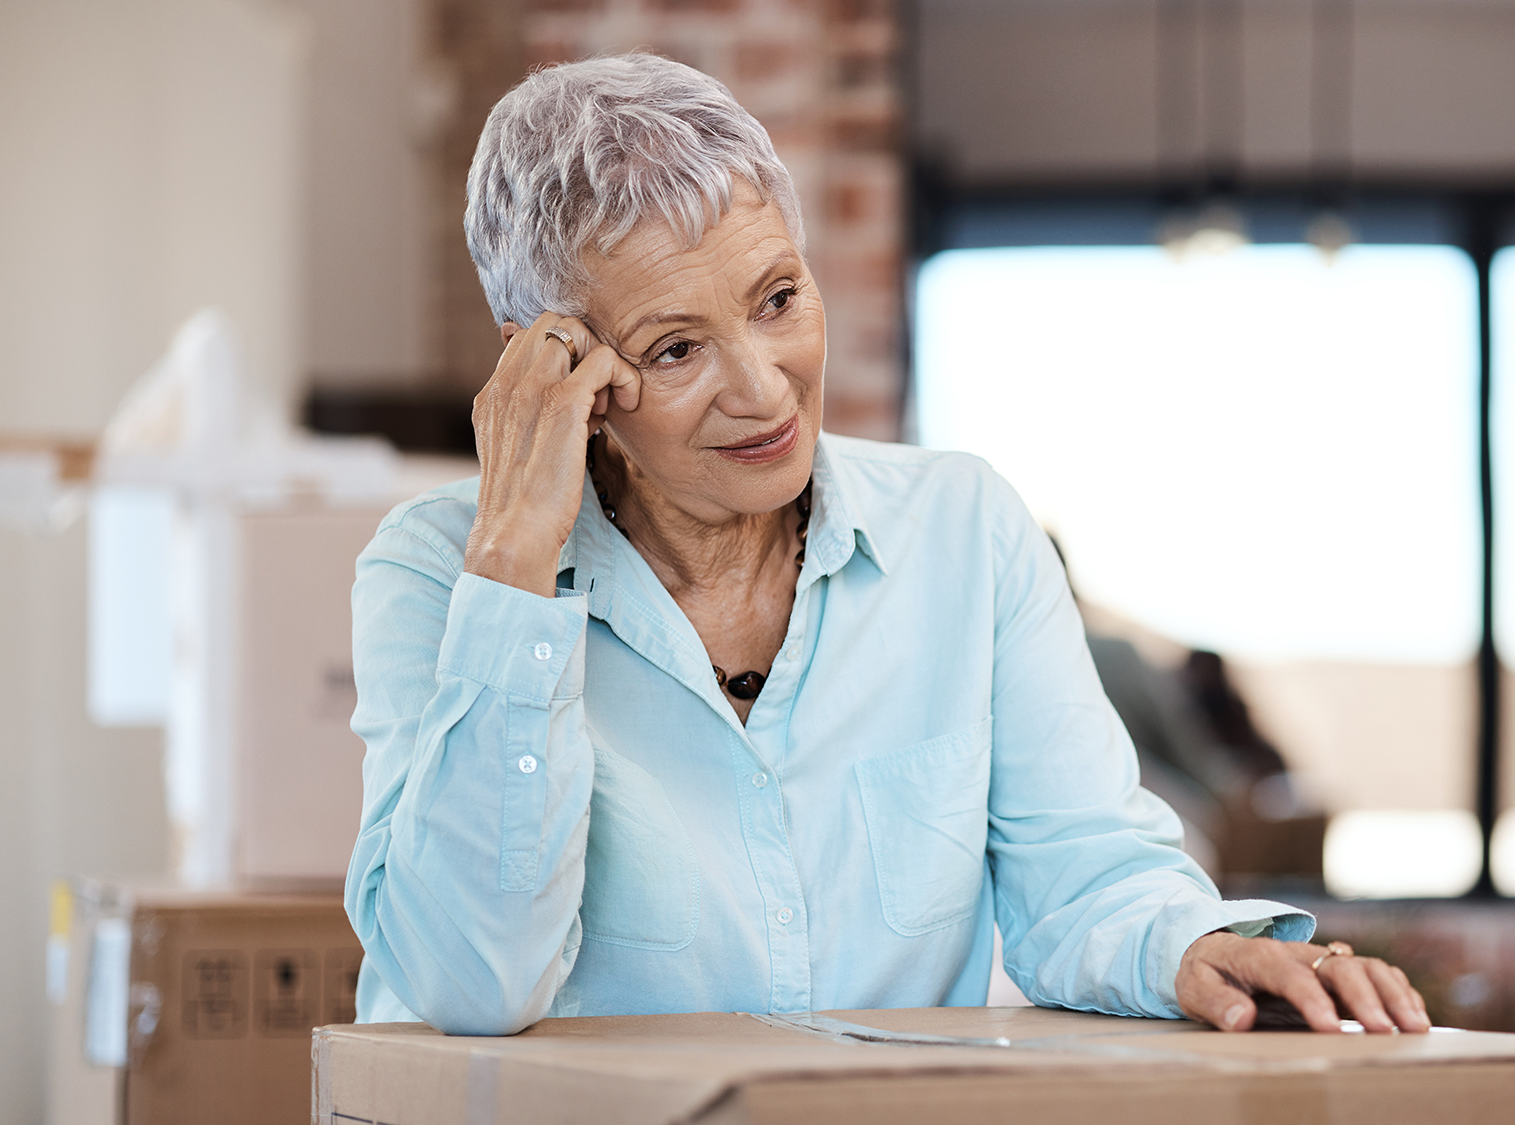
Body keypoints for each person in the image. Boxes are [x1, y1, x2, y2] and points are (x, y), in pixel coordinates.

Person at [343, 52, 1430, 1038]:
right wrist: (516, 573)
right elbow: (472, 984)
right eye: (676, 349)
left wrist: (1193, 947)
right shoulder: (439, 576)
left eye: (778, 298)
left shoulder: (963, 533)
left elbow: (1082, 874)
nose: (764, 388)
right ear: (552, 367)